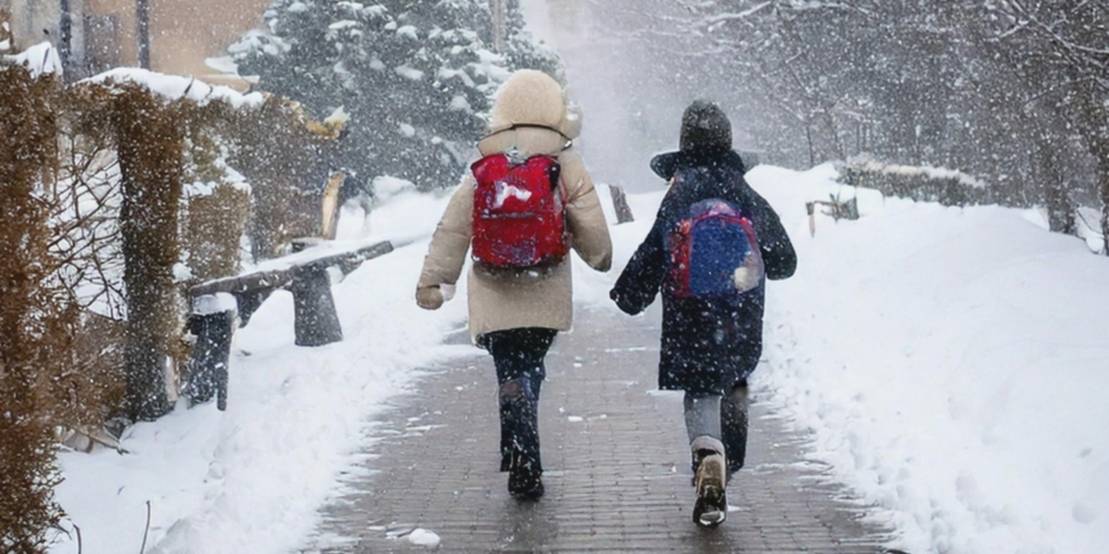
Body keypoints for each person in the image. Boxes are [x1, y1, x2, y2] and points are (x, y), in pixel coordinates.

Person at [416, 70, 613, 500]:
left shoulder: (486, 163)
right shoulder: (564, 162)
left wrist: (434, 281)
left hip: (493, 287)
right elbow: (592, 229)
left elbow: (452, 229)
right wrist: (601, 258)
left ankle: (517, 431)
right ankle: (525, 439)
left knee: (508, 364)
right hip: (544, 286)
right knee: (531, 364)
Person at [609, 100, 796, 526]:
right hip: (740, 310)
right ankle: (727, 461)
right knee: (733, 379)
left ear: (684, 146)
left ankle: (708, 452)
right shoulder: (745, 193)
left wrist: (628, 294)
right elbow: (784, 260)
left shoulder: (680, 193)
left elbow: (654, 250)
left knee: (700, 388)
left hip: (689, 312)